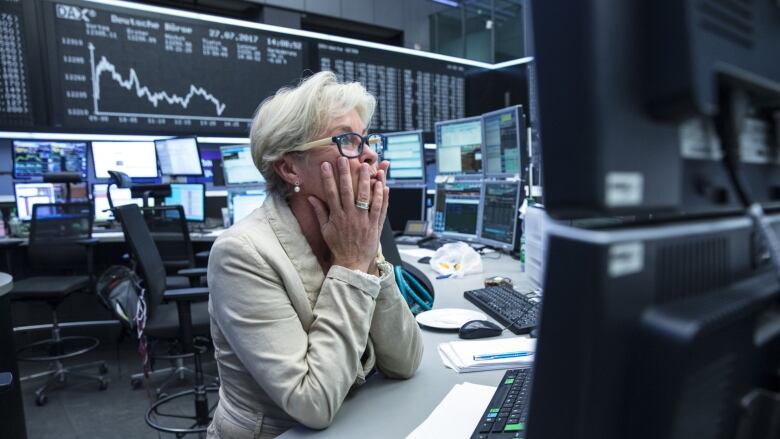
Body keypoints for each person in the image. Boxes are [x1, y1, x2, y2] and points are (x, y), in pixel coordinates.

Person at [206, 71, 424, 438]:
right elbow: (313, 403)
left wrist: (368, 255)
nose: (370, 153)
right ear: (290, 167)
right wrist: (354, 264)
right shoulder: (241, 254)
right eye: (348, 140)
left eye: (367, 139)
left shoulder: (352, 232)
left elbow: (406, 361)